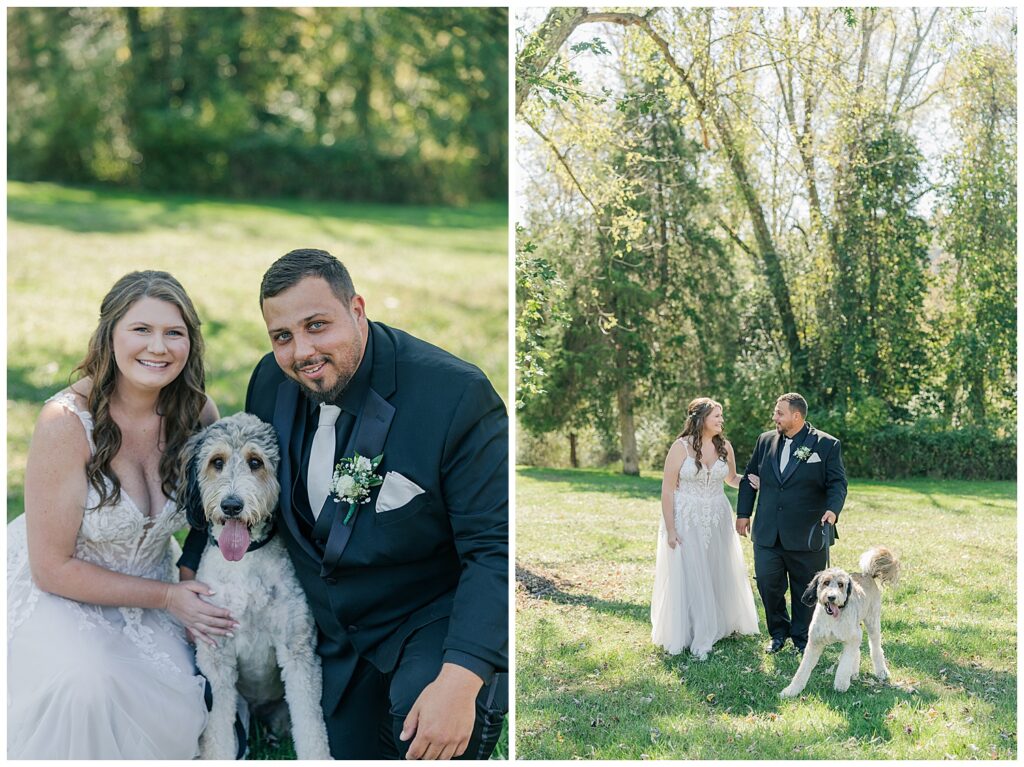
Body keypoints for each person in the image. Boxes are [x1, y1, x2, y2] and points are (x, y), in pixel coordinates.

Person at [179, 248, 508, 760]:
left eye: (317, 325)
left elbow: (495, 549)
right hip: (329, 639)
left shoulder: (455, 396)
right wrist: (188, 563)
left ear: (357, 310)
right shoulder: (271, 380)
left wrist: (462, 677)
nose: (302, 351)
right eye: (283, 336)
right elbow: (235, 487)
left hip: (424, 619)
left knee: (426, 732)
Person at [7, 271, 234, 759]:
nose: (159, 347)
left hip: (153, 592)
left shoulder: (198, 413)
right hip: (59, 590)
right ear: (110, 333)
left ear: (191, 343)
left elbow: (207, 524)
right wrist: (171, 597)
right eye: (141, 330)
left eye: (175, 333)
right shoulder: (66, 424)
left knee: (173, 713)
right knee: (86, 686)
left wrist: (193, 586)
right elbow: (52, 569)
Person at [736, 392, 848, 654]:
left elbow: (837, 483)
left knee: (805, 589)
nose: (774, 417)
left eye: (779, 413)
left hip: (807, 531)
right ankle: (777, 633)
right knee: (767, 583)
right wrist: (743, 513)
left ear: (796, 416)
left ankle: (801, 636)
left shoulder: (826, 445)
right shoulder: (765, 441)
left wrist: (832, 510)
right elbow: (750, 477)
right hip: (768, 532)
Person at [651, 397, 759, 659]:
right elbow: (667, 490)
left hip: (717, 515)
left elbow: (731, 478)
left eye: (722, 416)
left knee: (715, 569)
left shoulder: (725, 447)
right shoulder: (680, 448)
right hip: (686, 516)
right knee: (691, 572)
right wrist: (671, 528)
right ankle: (693, 631)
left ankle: (716, 625)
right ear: (700, 419)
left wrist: (749, 480)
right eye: (716, 416)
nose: (721, 420)